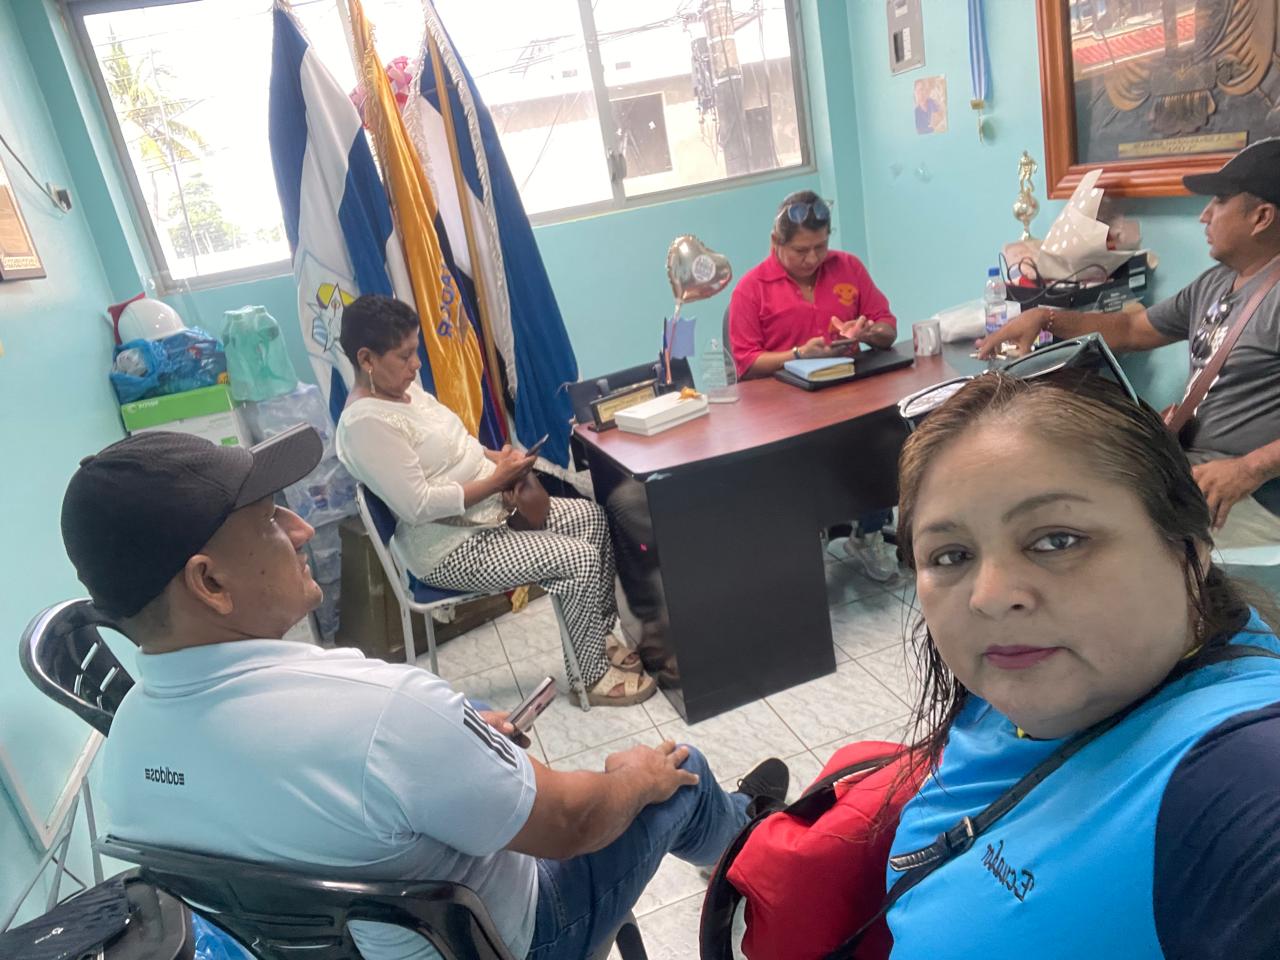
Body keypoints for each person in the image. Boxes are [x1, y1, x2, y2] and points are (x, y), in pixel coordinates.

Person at [62, 426, 790, 960]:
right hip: (519, 939)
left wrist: (447, 751)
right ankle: (759, 849)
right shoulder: (382, 713)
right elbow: (571, 824)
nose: (301, 527)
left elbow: (309, 800)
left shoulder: (123, 765)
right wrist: (632, 780)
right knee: (677, 772)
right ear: (210, 582)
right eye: (270, 521)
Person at [880, 370, 1280, 957]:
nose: (989, 596)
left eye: (1057, 540)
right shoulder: (1012, 689)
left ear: (1189, 551)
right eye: (951, 555)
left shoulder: (1238, 777)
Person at [333, 294, 652, 706]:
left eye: (416, 351)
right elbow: (418, 505)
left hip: (489, 514)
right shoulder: (365, 425)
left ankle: (594, 638)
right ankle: (590, 677)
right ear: (366, 359)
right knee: (579, 559)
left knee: (592, 517)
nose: (416, 364)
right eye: (405, 355)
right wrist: (496, 480)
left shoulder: (404, 391)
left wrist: (496, 459)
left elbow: (457, 443)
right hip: (449, 546)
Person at [978, 138, 1280, 559]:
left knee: (1090, 529)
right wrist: (1045, 317)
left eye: (1220, 201)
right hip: (1189, 465)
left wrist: (1248, 469)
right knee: (1060, 476)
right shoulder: (1216, 282)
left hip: (1248, 494)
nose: (1204, 215)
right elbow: (1134, 328)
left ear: (1261, 217)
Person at [727, 189, 900, 581]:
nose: (812, 258)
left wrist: (867, 332)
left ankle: (869, 532)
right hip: (786, 408)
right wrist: (798, 354)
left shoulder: (848, 267)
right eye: (801, 250)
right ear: (776, 242)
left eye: (820, 247)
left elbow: (888, 328)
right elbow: (747, 363)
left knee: (885, 436)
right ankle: (809, 537)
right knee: (807, 462)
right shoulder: (751, 289)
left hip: (849, 394)